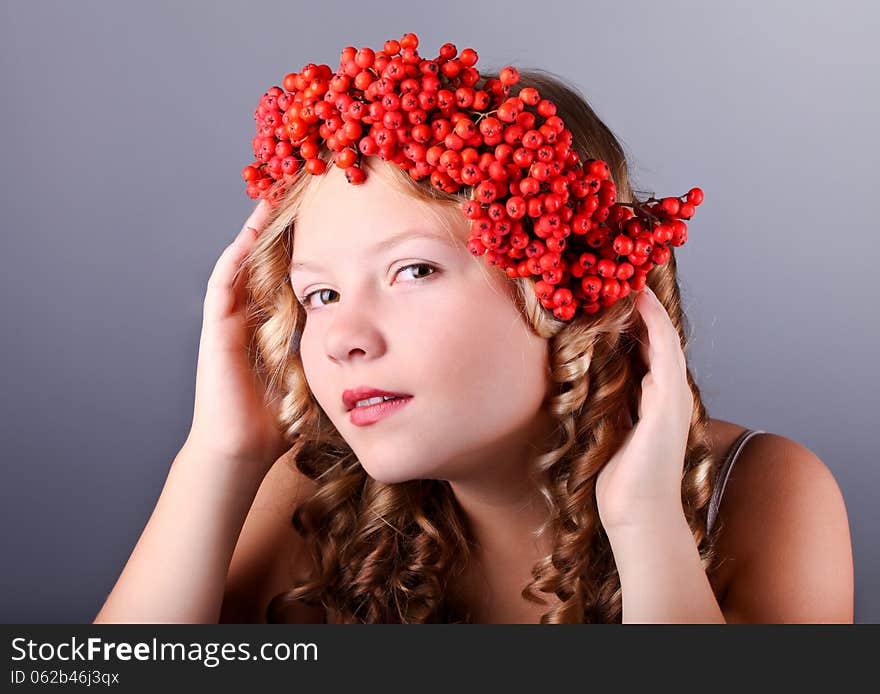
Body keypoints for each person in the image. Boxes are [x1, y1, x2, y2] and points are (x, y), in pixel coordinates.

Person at [93, 38, 854, 624]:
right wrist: (218, 456)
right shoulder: (311, 495)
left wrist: (645, 520)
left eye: (413, 272)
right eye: (318, 293)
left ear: (572, 290)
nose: (341, 338)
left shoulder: (758, 491)